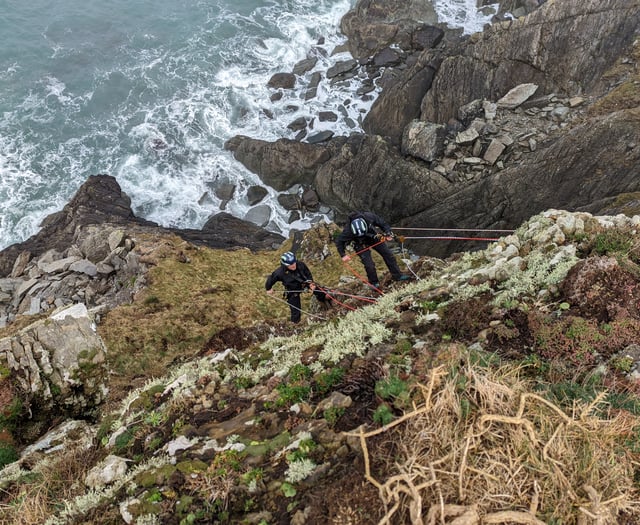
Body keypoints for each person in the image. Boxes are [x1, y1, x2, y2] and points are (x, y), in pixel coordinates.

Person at [335, 211, 410, 288]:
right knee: (369, 265)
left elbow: (382, 224)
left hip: (374, 237)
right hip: (359, 243)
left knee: (388, 255)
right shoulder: (348, 231)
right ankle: (374, 283)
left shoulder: (369, 217)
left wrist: (388, 232)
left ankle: (397, 275)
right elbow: (339, 242)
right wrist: (343, 255)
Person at [265, 251, 328, 323]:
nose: (294, 265)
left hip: (305, 283)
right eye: (291, 264)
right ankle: (295, 323)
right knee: (295, 309)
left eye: (294, 262)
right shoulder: (280, 273)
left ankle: (324, 297)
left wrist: (310, 282)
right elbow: (271, 279)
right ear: (285, 265)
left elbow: (308, 273)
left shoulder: (301, 265)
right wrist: (268, 288)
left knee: (318, 290)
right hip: (292, 290)